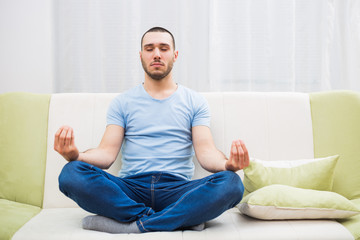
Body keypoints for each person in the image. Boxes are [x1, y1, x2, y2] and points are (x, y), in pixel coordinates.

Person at [55, 27, 250, 234]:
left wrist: (227, 164)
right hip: (130, 188)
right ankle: (176, 219)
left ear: (174, 55)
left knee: (231, 183)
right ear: (141, 56)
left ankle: (135, 224)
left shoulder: (195, 102)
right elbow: (106, 154)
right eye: (149, 49)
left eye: (163, 48)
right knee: (71, 173)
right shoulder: (122, 102)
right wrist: (75, 155)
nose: (156, 54)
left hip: (178, 190)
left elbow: (207, 153)